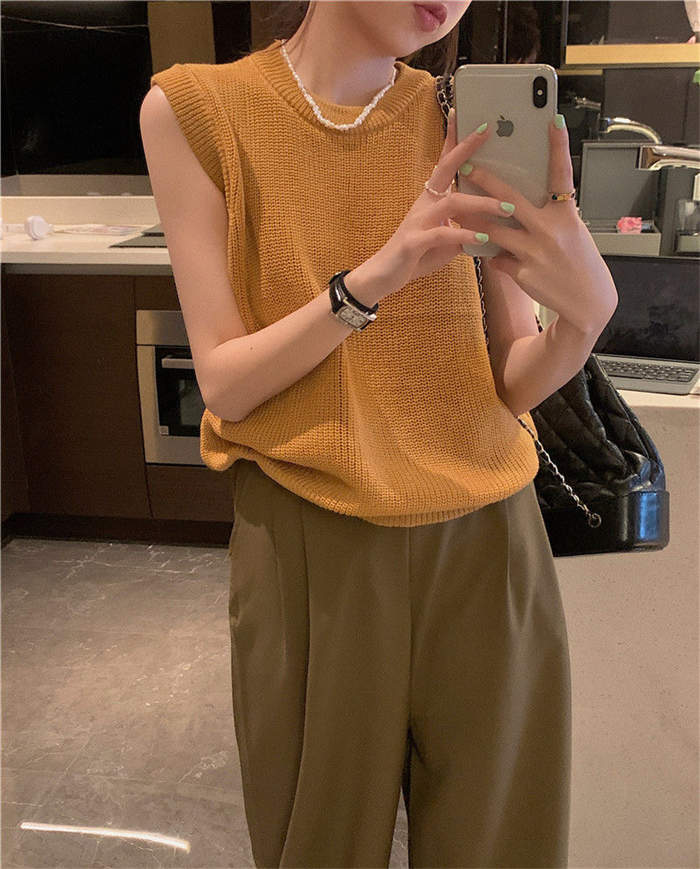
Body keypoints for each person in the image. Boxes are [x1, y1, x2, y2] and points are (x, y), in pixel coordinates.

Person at [140, 2, 618, 866]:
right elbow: (225, 382)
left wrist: (583, 323)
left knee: (504, 847)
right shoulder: (197, 111)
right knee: (316, 848)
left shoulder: (465, 119)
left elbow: (510, 377)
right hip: (312, 542)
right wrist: (376, 278)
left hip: (490, 544)